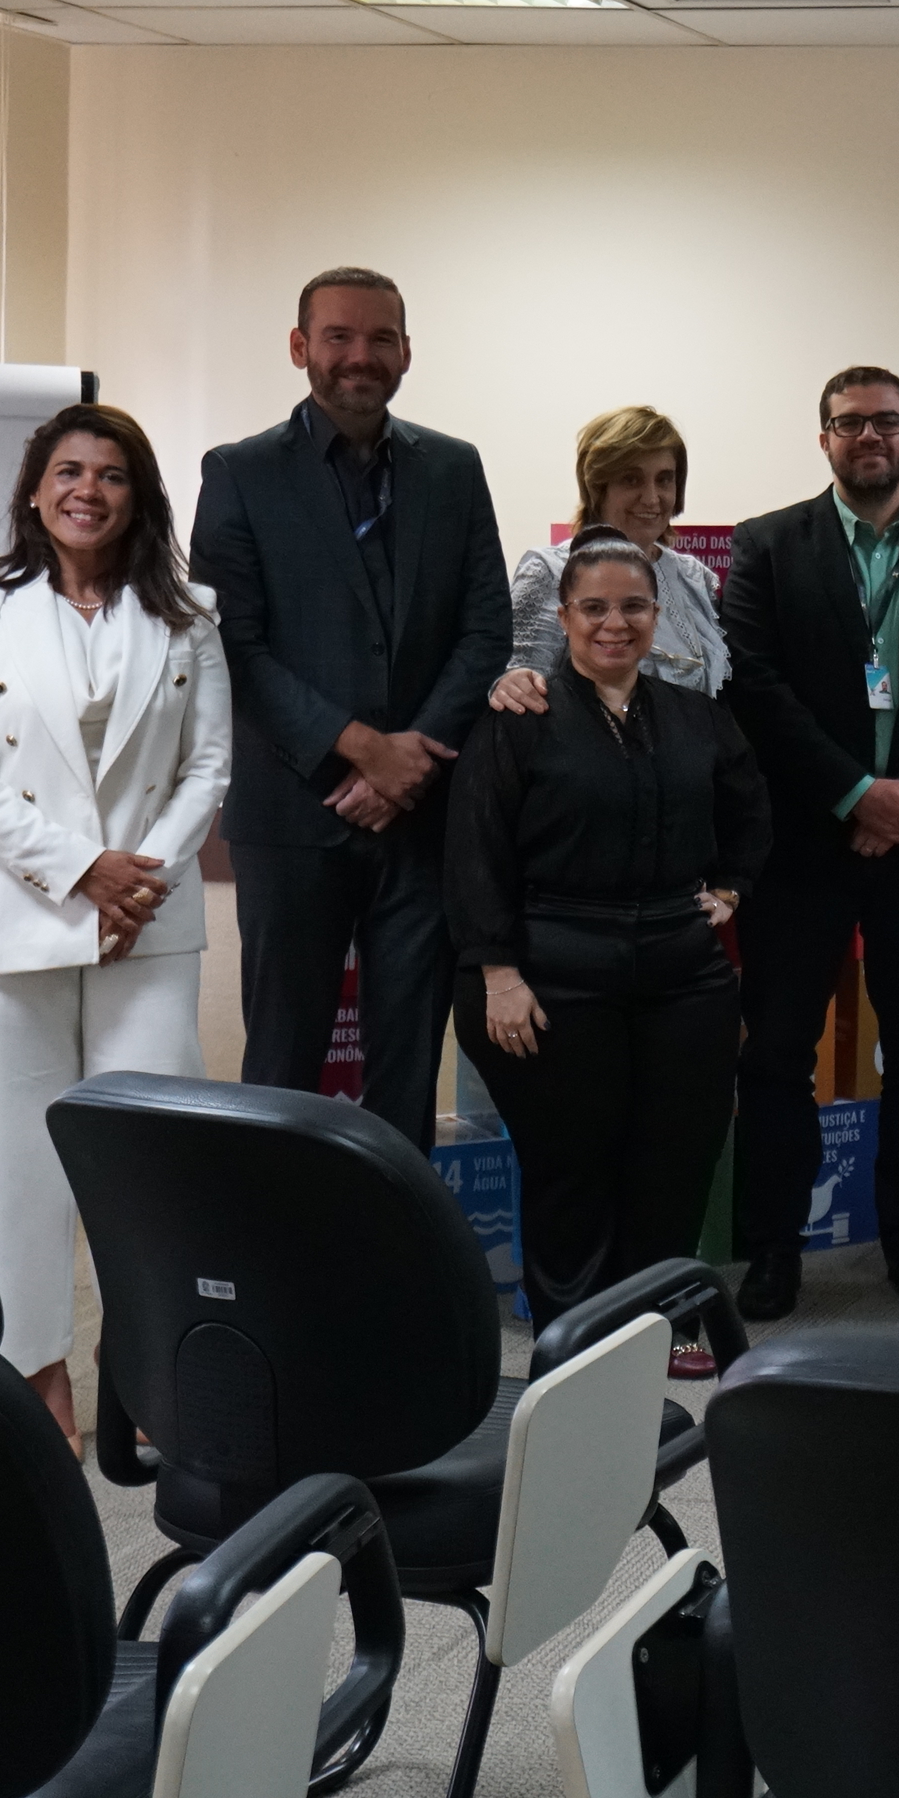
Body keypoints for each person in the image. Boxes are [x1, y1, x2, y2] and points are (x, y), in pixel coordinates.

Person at [0, 402, 229, 1450]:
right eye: (68, 470)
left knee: (152, 1152)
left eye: (110, 474)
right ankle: (35, 1368)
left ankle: (140, 1358)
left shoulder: (191, 612)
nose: (87, 489)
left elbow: (207, 766)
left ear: (138, 496)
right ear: (34, 489)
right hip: (11, 921)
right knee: (12, 1158)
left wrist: (132, 882)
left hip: (146, 921)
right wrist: (80, 871)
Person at [193, 268, 509, 1150]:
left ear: (407, 351)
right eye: (338, 337)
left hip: (423, 819)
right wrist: (357, 750)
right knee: (283, 1062)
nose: (359, 357)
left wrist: (409, 762)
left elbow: (487, 631)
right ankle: (279, 1270)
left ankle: (390, 1269)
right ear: (301, 349)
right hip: (293, 815)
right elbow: (233, 645)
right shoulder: (240, 474)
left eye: (380, 339)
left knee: (406, 1064)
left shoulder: (453, 468)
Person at [720, 366, 899, 1316]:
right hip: (800, 844)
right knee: (777, 1054)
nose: (869, 437)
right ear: (824, 440)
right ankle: (772, 1249)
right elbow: (755, 686)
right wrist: (852, 792)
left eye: (887, 422)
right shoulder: (765, 545)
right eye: (850, 424)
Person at [444, 530, 767, 1321]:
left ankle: (658, 1318)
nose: (613, 623)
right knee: (572, 1168)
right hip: (551, 970)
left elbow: (751, 809)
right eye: (594, 608)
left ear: (658, 614)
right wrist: (499, 974)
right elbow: (473, 851)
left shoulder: (697, 716)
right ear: (564, 616)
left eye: (632, 606)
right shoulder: (520, 715)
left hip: (680, 971)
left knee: (675, 1162)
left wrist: (730, 888)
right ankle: (574, 1335)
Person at [496, 407, 726, 703]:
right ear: (597, 488)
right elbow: (524, 691)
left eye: (664, 479)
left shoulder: (696, 579)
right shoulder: (550, 571)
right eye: (631, 480)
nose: (652, 498)